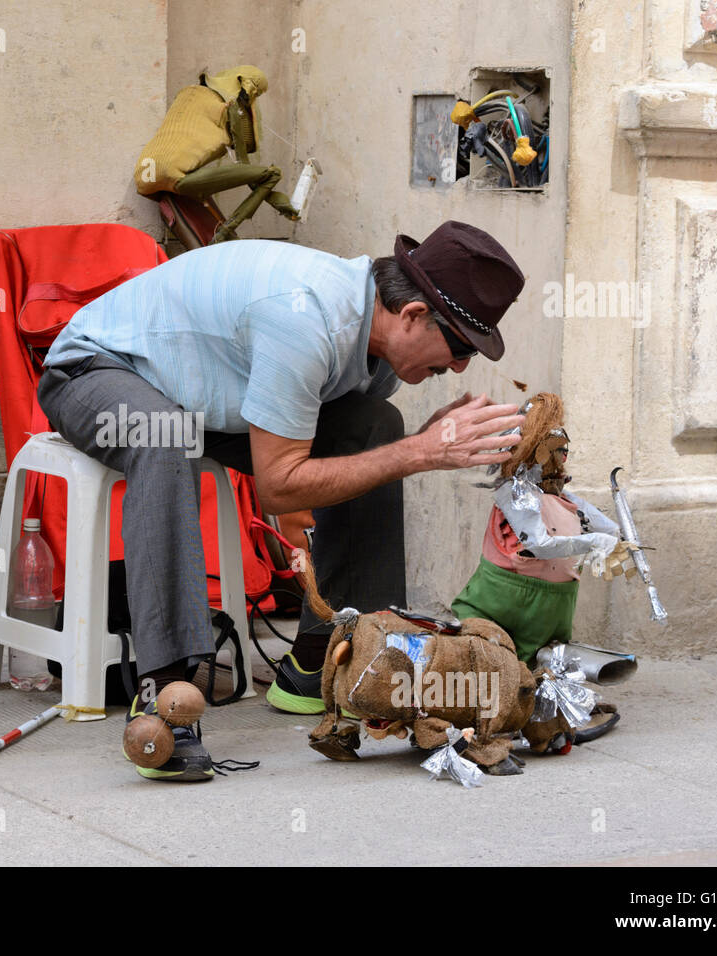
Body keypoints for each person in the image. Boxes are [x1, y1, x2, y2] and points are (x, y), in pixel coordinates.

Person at [37, 220, 527, 781]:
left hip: (202, 399)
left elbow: (343, 452)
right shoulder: (306, 321)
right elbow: (279, 486)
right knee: (162, 435)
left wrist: (409, 444)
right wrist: (420, 452)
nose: (462, 366)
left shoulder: (376, 348)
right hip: (96, 369)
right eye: (461, 346)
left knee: (375, 427)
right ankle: (170, 692)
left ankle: (336, 659)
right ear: (413, 314)